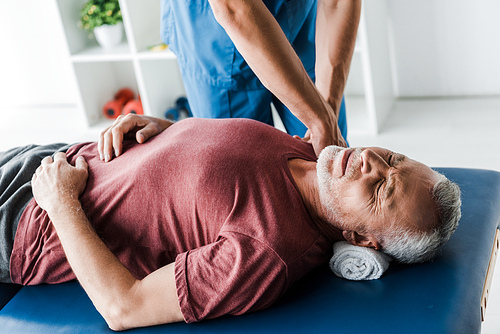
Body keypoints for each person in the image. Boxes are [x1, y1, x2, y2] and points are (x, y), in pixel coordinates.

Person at [1, 115, 461, 331]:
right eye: (395, 159)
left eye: (382, 190)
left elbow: (124, 308)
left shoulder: (266, 252)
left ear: (360, 237)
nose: (372, 162)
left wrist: (61, 203)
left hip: (27, 224)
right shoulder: (308, 154)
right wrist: (166, 130)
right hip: (53, 157)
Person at [160, 0, 361, 153]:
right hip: (216, 43)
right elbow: (236, 9)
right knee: (246, 180)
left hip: (299, 21)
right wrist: (320, 120)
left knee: (330, 152)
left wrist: (328, 110)